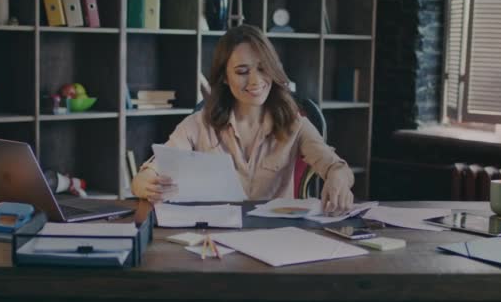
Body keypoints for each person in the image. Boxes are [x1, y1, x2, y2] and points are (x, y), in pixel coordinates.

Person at [132, 24, 354, 215]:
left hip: (277, 237)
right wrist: (149, 185)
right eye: (242, 71)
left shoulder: (295, 124)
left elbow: (337, 167)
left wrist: (338, 179)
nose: (255, 80)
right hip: (216, 236)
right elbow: (146, 175)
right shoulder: (199, 124)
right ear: (225, 78)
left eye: (262, 68)